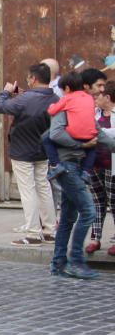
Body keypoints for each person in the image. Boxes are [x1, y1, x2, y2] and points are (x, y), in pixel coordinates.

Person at [0, 63, 58, 246]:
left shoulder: (26, 99)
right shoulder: (53, 97)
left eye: (29, 78)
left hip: (22, 150)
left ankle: (32, 233)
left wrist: (5, 92)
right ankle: (49, 230)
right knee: (44, 189)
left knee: (28, 191)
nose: (28, 81)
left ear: (33, 79)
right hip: (43, 150)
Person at [47, 107, 98, 280]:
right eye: (96, 86)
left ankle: (59, 263)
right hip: (68, 168)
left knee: (68, 216)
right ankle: (76, 261)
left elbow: (103, 138)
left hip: (74, 167)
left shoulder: (84, 112)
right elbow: (49, 136)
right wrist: (81, 144)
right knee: (89, 211)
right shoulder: (68, 111)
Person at [44, 73, 97, 181]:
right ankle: (86, 172)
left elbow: (52, 111)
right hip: (90, 133)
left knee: (46, 139)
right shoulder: (89, 98)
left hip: (74, 134)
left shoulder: (67, 98)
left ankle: (55, 165)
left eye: (62, 90)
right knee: (92, 148)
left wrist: (51, 105)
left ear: (67, 88)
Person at [86, 80, 114, 256]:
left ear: (108, 98)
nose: (96, 97)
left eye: (100, 95)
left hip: (112, 163)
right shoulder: (94, 114)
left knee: (114, 201)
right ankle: (95, 238)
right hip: (94, 163)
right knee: (97, 201)